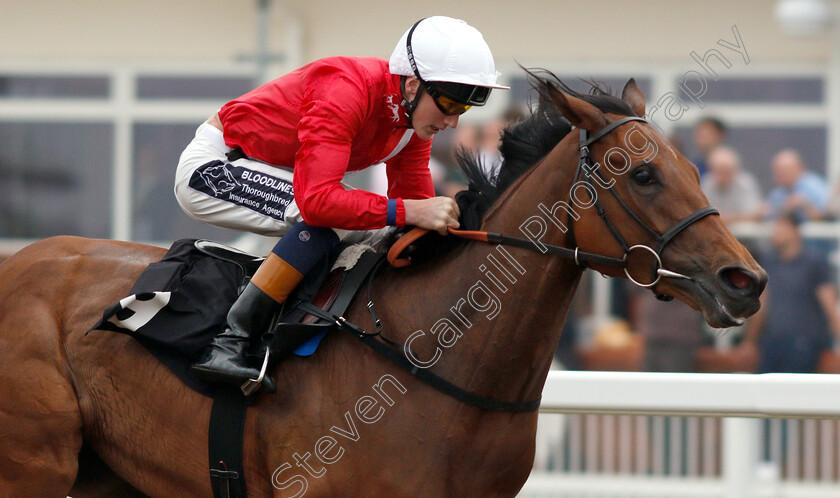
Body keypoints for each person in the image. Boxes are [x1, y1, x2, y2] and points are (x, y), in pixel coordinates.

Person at [173, 16, 508, 387]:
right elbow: (318, 202)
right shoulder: (346, 89)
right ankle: (231, 342)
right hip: (216, 166)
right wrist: (412, 210)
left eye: (463, 110)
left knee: (377, 222)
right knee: (336, 216)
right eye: (447, 104)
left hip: (271, 173)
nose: (452, 122)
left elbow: (413, 207)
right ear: (412, 85)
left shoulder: (412, 123)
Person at [741, 211, 840, 373]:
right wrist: (750, 342)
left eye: (782, 226)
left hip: (806, 344)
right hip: (771, 342)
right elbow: (762, 305)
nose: (776, 231)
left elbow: (829, 304)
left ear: (795, 231)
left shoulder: (815, 263)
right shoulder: (769, 262)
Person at [700, 146, 762, 224]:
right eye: (720, 171)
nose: (724, 175)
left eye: (727, 170)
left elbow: (755, 213)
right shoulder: (707, 183)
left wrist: (727, 218)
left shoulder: (745, 183)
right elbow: (702, 213)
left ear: (735, 169)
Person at [765, 148, 829, 222]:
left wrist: (805, 205)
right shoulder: (779, 192)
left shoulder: (813, 186)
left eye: (785, 170)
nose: (779, 174)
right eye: (777, 171)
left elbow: (827, 216)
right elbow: (771, 214)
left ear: (799, 168)